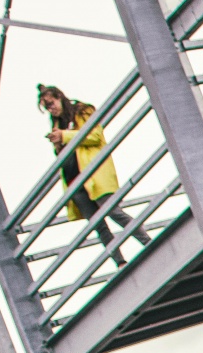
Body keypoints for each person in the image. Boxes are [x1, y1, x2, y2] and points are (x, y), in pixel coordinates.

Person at [37, 83, 138, 263]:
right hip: (73, 180)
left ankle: (148, 242)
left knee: (114, 212)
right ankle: (120, 262)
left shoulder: (82, 110)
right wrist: (58, 144)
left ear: (59, 97)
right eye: (47, 108)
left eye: (51, 104)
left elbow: (95, 136)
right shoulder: (57, 124)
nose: (51, 109)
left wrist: (65, 135)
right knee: (98, 225)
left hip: (93, 174)